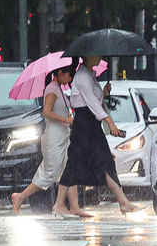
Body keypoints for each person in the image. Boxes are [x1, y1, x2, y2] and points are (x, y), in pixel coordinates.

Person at [52, 55, 143, 215]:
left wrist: (104, 93)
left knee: (106, 161)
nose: (99, 57)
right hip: (84, 124)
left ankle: (123, 202)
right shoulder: (82, 76)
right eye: (96, 54)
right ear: (88, 56)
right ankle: (59, 204)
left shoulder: (90, 75)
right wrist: (110, 122)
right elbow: (91, 103)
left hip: (92, 124)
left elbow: (95, 100)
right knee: (75, 162)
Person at [11, 64, 91, 216]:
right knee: (49, 173)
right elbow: (46, 112)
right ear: (60, 73)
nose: (70, 80)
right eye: (69, 76)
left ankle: (74, 206)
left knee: (70, 170)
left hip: (63, 136)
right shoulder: (52, 90)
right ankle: (20, 197)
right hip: (53, 138)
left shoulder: (60, 90)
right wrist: (66, 120)